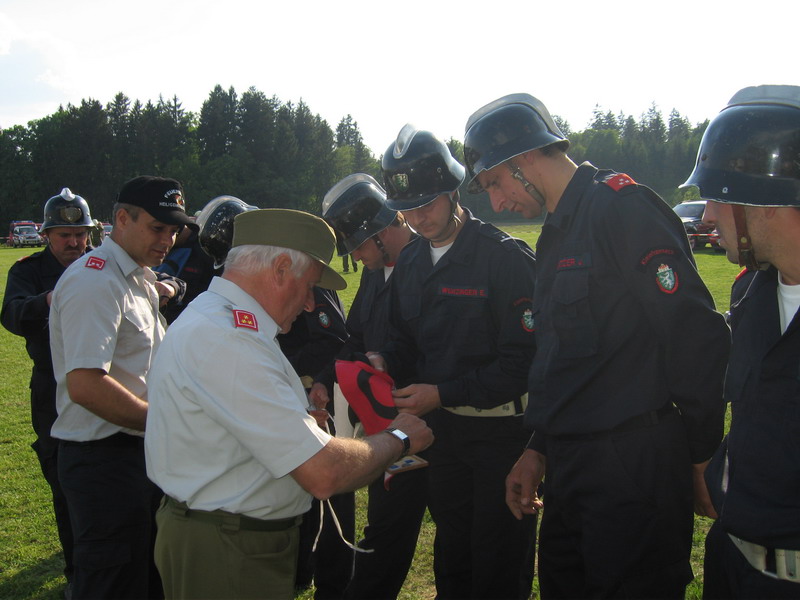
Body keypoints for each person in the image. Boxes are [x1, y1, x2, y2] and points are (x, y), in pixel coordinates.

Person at [463, 93, 731, 598]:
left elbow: (694, 337)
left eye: (495, 183)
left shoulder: (621, 208)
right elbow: (563, 360)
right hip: (572, 468)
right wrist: (538, 448)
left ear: (525, 158)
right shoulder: (557, 230)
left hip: (632, 467)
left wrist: (702, 457)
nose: (496, 203)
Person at [144, 208, 434, 600]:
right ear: (281, 269)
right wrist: (399, 437)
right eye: (310, 286)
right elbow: (323, 473)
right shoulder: (231, 339)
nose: (312, 304)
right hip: (229, 549)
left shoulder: (220, 322)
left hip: (226, 538)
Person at [369, 125, 538, 599]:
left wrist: (442, 393)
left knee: (499, 564)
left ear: (453, 190)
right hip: (443, 437)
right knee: (453, 560)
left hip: (502, 439)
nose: (418, 217)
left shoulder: (505, 259)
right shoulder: (410, 263)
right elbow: (405, 341)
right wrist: (383, 359)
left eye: (428, 203)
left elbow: (525, 363)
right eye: (407, 208)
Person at [49, 175, 196, 600]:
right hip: (104, 461)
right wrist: (165, 421)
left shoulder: (136, 276)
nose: (167, 240)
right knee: (113, 584)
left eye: (173, 230)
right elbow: (86, 386)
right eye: (157, 228)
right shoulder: (95, 281)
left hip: (135, 453)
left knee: (148, 578)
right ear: (122, 219)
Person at [682, 84, 800, 598]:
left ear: (765, 201)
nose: (707, 215)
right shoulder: (751, 292)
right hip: (733, 567)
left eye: (718, 196)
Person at [311, 173, 425, 599]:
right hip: (390, 428)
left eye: (359, 245)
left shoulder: (431, 265)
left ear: (382, 229)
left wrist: (390, 359)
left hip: (437, 427)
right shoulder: (376, 274)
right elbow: (355, 338)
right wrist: (325, 379)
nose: (356, 257)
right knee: (383, 532)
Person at [1, 187, 93, 592]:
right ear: (46, 235)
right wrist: (52, 299)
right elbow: (13, 314)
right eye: (64, 235)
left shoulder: (101, 264)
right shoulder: (29, 270)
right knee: (62, 479)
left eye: (80, 234)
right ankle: (76, 572)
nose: (74, 243)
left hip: (105, 382)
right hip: (52, 386)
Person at [278, 286, 356, 600]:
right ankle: (302, 570)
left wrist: (278, 364)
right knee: (299, 486)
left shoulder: (310, 284)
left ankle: (333, 584)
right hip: (289, 394)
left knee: (331, 491)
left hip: (314, 395)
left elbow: (332, 340)